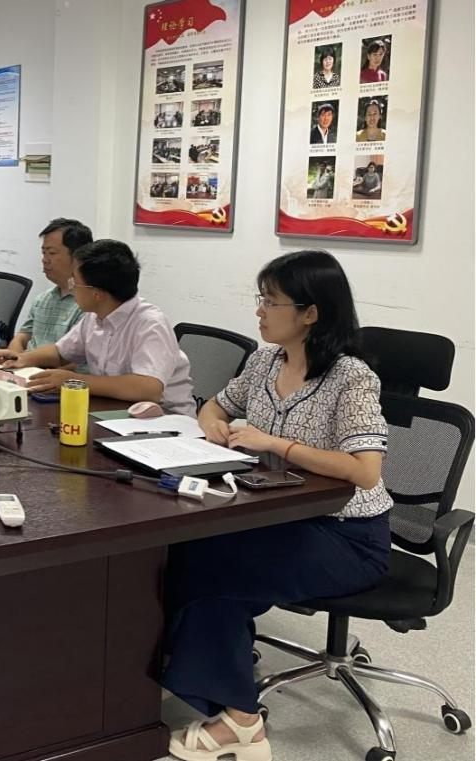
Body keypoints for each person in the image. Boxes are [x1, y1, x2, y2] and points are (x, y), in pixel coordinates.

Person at [162, 250, 390, 761]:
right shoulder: (265, 361)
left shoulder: (351, 378)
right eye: (260, 299)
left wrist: (275, 444)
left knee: (217, 572)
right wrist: (213, 426)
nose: (259, 311)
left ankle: (242, 724)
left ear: (310, 313)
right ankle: (194, 675)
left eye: (271, 301)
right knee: (189, 549)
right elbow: (216, 405)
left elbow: (365, 470)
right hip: (277, 514)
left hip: (347, 535)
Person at [0, 239, 195, 415]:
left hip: (165, 420)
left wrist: (75, 381)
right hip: (115, 412)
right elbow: (60, 352)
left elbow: (148, 388)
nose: (71, 287)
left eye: (75, 282)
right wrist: (22, 358)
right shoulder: (94, 316)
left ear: (97, 294)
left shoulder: (150, 323)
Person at [2, 219, 92, 363]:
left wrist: (25, 362)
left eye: (51, 253)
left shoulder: (89, 306)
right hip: (26, 368)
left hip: (50, 373)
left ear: (77, 257)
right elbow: (22, 337)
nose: (45, 260)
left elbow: (77, 362)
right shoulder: (43, 299)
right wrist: (13, 358)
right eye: (43, 253)